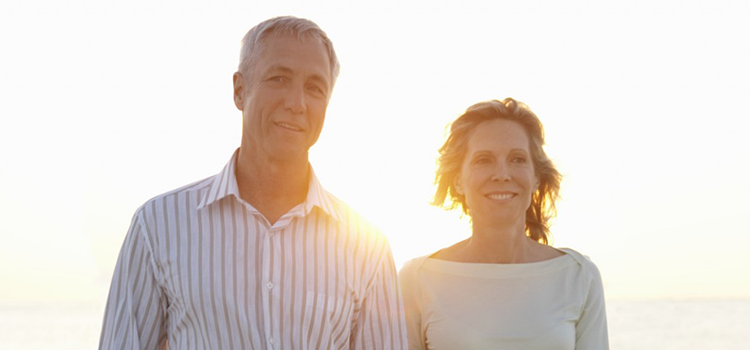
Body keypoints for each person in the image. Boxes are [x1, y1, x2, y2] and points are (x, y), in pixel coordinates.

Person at [99, 16, 407, 350]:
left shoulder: (368, 249)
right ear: (239, 90)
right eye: (279, 78)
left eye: (314, 88)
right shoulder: (158, 226)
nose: (297, 103)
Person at [399, 98, 609, 349]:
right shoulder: (417, 279)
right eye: (484, 160)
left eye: (517, 159)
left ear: (535, 178)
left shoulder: (578, 276)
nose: (502, 174)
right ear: (457, 180)